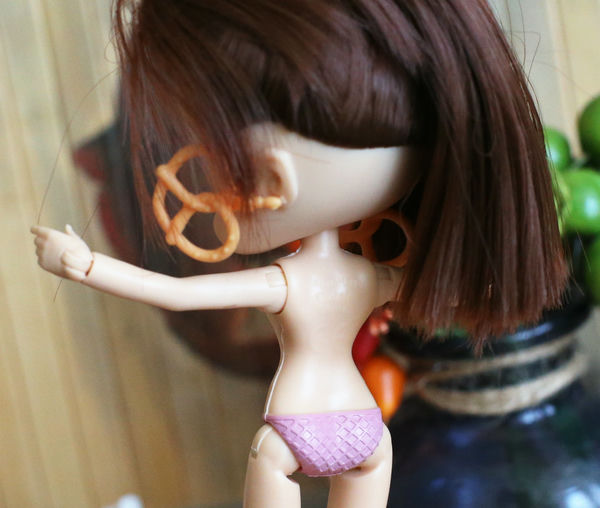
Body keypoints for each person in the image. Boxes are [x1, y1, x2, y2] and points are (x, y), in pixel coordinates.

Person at [32, 1, 567, 506]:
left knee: (269, 461)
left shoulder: (282, 282)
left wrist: (86, 264)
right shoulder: (370, 276)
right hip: (365, 426)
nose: (199, 179)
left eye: (206, 152)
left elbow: (176, 292)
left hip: (292, 430)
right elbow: (438, 291)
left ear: (272, 180)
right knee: (374, 466)